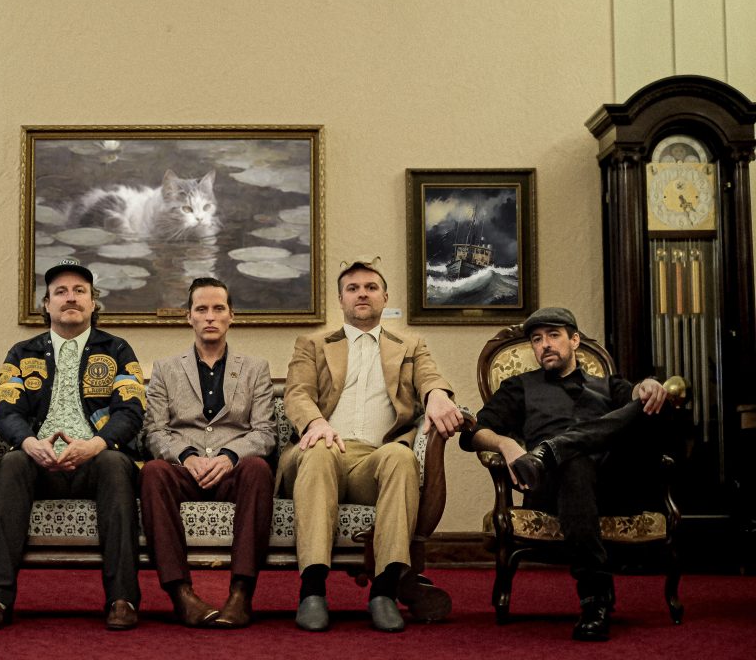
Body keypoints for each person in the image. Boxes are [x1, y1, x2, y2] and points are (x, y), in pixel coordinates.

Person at [461, 306, 670, 642]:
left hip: (613, 485)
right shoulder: (520, 387)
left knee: (647, 408)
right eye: (536, 339)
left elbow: (635, 400)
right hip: (552, 487)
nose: (544, 344)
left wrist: (647, 385)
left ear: (574, 341)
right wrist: (506, 445)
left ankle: (553, 449)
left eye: (553, 335)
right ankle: (595, 598)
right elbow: (474, 433)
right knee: (574, 463)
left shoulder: (609, 385)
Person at [280, 256, 463, 632]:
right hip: (321, 453)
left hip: (374, 461)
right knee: (319, 450)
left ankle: (384, 591)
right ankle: (312, 591)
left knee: (400, 456)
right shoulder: (312, 344)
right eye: (353, 288)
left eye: (370, 287)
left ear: (384, 297)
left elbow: (430, 377)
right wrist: (316, 423)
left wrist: (438, 396)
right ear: (341, 299)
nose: (362, 294)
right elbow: (297, 393)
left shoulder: (410, 345)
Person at [0, 260, 146, 631]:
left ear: (92, 302)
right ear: (47, 304)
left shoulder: (117, 349)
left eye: (79, 291)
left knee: (116, 464)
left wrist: (96, 444)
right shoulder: (22, 353)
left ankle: (122, 599)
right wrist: (29, 443)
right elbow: (6, 411)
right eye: (61, 292)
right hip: (38, 462)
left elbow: (131, 411)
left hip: (96, 460)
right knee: (12, 463)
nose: (71, 298)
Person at [140, 277, 275, 628]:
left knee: (258, 469)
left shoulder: (256, 368)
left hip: (234, 472)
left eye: (218, 308)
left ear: (232, 315)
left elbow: (265, 432)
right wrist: (186, 456)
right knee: (152, 472)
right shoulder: (165, 369)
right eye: (202, 309)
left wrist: (230, 456)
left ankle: (241, 595)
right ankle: (181, 595)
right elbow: (154, 431)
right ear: (189, 317)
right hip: (184, 470)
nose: (210, 316)